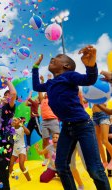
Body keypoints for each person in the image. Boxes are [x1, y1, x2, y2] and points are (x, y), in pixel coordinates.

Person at [32, 45, 110, 190]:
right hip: (67, 128)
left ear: (66, 66)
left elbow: (89, 79)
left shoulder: (69, 76)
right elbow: (36, 86)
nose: (53, 58)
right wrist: (35, 66)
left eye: (58, 58)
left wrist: (91, 65)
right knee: (61, 166)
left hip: (83, 125)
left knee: (94, 169)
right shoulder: (50, 84)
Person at [39, 75, 60, 166]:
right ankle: (46, 158)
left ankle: (59, 157)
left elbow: (52, 88)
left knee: (58, 140)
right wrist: (42, 81)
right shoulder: (42, 100)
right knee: (45, 141)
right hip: (44, 122)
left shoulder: (53, 98)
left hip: (53, 120)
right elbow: (40, 90)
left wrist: (49, 79)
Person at [9, 117, 31, 181]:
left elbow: (28, 133)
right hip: (15, 150)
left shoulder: (21, 129)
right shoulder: (11, 129)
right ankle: (13, 178)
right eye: (13, 120)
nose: (13, 121)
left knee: (21, 165)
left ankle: (29, 179)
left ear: (19, 122)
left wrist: (22, 125)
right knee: (10, 165)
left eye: (15, 120)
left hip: (21, 149)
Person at [92, 104, 112, 169]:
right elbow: (85, 100)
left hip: (103, 115)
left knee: (105, 141)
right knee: (98, 142)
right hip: (94, 116)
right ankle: (104, 162)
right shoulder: (91, 94)